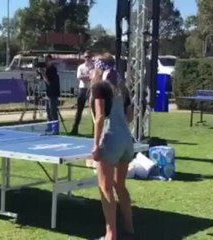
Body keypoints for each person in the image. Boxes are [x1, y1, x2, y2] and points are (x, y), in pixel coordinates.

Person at [88, 53, 135, 240]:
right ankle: (129, 228)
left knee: (105, 188)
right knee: (120, 186)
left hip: (110, 140)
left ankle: (110, 235)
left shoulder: (99, 87)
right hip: (126, 141)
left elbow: (99, 118)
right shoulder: (122, 88)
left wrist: (96, 145)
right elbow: (130, 117)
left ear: (98, 68)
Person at [70, 50, 95, 135]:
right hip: (83, 89)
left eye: (89, 56)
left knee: (93, 110)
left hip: (92, 89)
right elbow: (79, 77)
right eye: (86, 57)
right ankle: (75, 129)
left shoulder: (94, 66)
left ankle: (95, 131)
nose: (87, 58)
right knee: (79, 109)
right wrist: (89, 76)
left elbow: (94, 77)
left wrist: (88, 77)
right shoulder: (81, 67)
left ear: (92, 57)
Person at [39, 54, 60, 129]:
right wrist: (40, 72)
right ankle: (49, 127)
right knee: (48, 111)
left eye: (47, 60)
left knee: (53, 111)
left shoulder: (53, 69)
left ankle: (55, 128)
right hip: (48, 93)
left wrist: (43, 74)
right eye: (45, 60)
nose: (46, 62)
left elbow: (48, 82)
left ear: (50, 60)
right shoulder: (47, 69)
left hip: (53, 93)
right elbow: (42, 79)